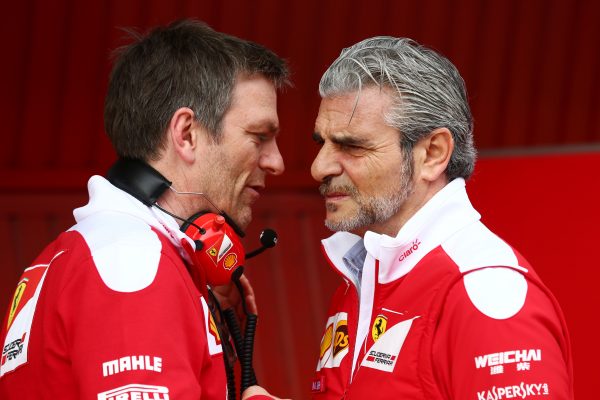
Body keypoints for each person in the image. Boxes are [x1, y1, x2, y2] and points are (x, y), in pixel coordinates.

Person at [0, 20, 289, 400]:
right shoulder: (132, 265)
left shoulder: (88, 251)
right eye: (259, 137)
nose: (276, 162)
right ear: (186, 134)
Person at [310, 37, 574, 399]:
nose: (318, 167)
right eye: (320, 143)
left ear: (433, 153)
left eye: (352, 146)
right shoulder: (366, 274)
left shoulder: (484, 291)